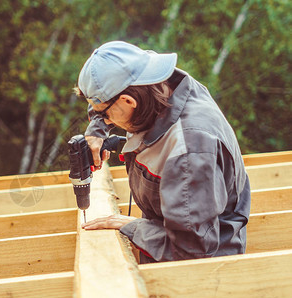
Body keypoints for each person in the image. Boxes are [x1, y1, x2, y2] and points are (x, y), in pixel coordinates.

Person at [76, 41, 251, 263]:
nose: (106, 119)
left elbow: (193, 250)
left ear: (129, 101)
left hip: (201, 274)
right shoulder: (161, 85)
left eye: (106, 115)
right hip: (166, 238)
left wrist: (133, 226)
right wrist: (97, 131)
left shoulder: (188, 152)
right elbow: (106, 101)